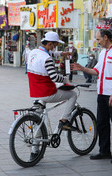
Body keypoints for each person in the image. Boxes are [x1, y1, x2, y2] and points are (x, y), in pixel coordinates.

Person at [72, 29, 112, 163]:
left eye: (98, 39)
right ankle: (104, 151)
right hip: (101, 93)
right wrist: (82, 69)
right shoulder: (102, 53)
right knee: (102, 123)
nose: (97, 42)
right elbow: (96, 70)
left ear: (106, 37)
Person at [27, 31, 77, 159]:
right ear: (49, 44)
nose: (55, 48)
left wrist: (62, 53)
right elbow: (54, 77)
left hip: (36, 92)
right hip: (47, 92)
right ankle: (64, 121)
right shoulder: (47, 59)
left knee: (38, 121)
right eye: (54, 45)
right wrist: (65, 79)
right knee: (72, 95)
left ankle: (35, 151)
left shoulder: (33, 53)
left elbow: (50, 53)